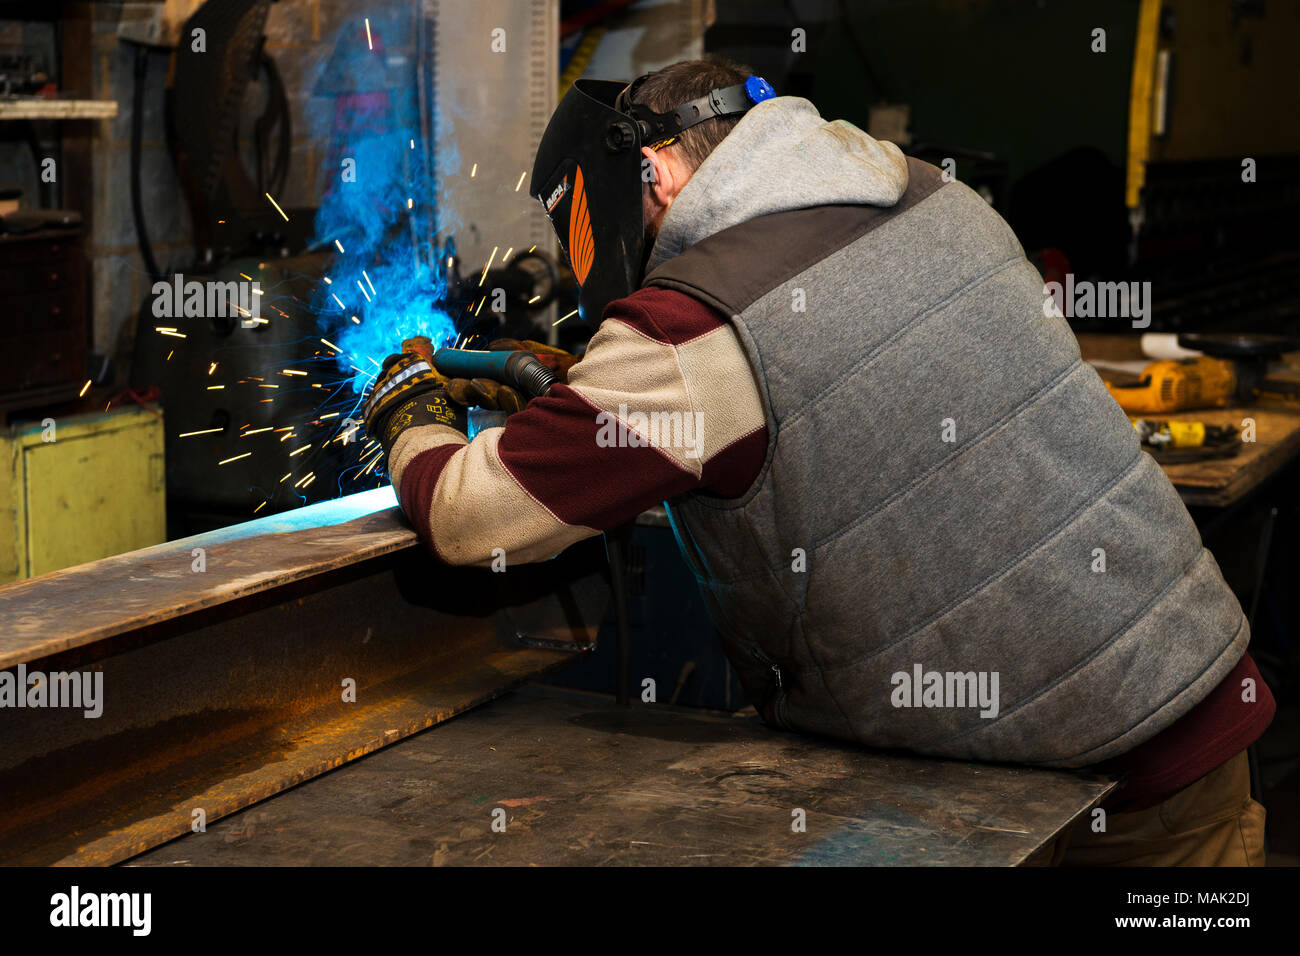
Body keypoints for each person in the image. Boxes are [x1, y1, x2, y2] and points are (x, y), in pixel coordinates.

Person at [362, 57, 1273, 866]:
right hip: (1195, 705)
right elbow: (851, 390)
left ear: (654, 171)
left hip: (1068, 775)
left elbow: (466, 515)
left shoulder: (693, 327)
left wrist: (410, 411)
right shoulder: (935, 198)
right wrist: (593, 396)